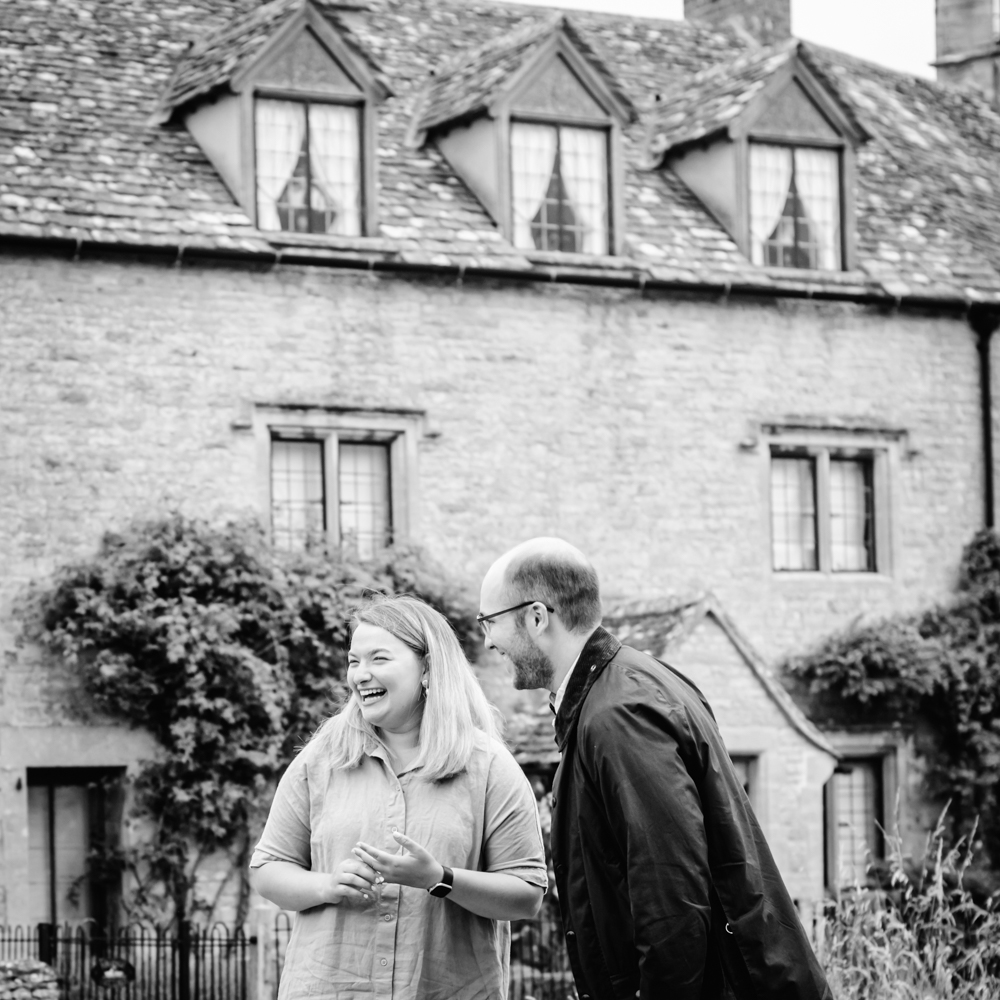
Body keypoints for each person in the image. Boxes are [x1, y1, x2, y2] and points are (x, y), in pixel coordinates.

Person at [479, 538, 833, 1000]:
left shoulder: (618, 715)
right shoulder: (632, 685)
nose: (487, 641)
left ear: (537, 617)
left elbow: (670, 892)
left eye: (490, 622)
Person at [249, 594, 546, 1000]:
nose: (360, 675)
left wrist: (439, 879)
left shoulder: (489, 766)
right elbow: (267, 870)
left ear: (427, 667)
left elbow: (526, 896)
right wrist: (327, 885)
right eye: (354, 661)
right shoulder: (320, 761)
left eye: (379, 659)